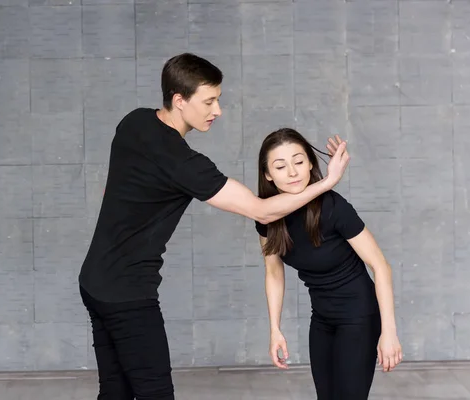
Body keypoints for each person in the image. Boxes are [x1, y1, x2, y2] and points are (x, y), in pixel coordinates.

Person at [78, 53, 351, 400]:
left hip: (93, 280)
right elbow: (262, 211)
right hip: (126, 293)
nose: (217, 110)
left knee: (115, 391)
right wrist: (326, 183)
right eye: (209, 101)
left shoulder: (134, 122)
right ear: (179, 101)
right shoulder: (183, 164)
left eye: (217, 100)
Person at [254, 128, 403, 400]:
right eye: (280, 166)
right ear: (267, 174)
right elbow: (273, 273)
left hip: (358, 316)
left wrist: (388, 332)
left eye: (299, 162)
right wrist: (274, 329)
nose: (292, 172)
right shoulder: (267, 216)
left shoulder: (334, 208)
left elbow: (381, 266)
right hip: (321, 318)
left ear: (311, 163)